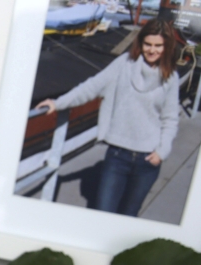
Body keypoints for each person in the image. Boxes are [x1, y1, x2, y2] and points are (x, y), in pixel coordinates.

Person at [37, 18, 180, 217]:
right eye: (148, 44)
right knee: (102, 214)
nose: (152, 50)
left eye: (158, 45)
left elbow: (170, 119)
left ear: (166, 46)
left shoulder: (170, 77)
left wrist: (162, 152)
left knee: (128, 216)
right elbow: (92, 87)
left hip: (148, 160)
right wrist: (58, 103)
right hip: (117, 157)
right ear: (141, 43)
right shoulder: (124, 64)